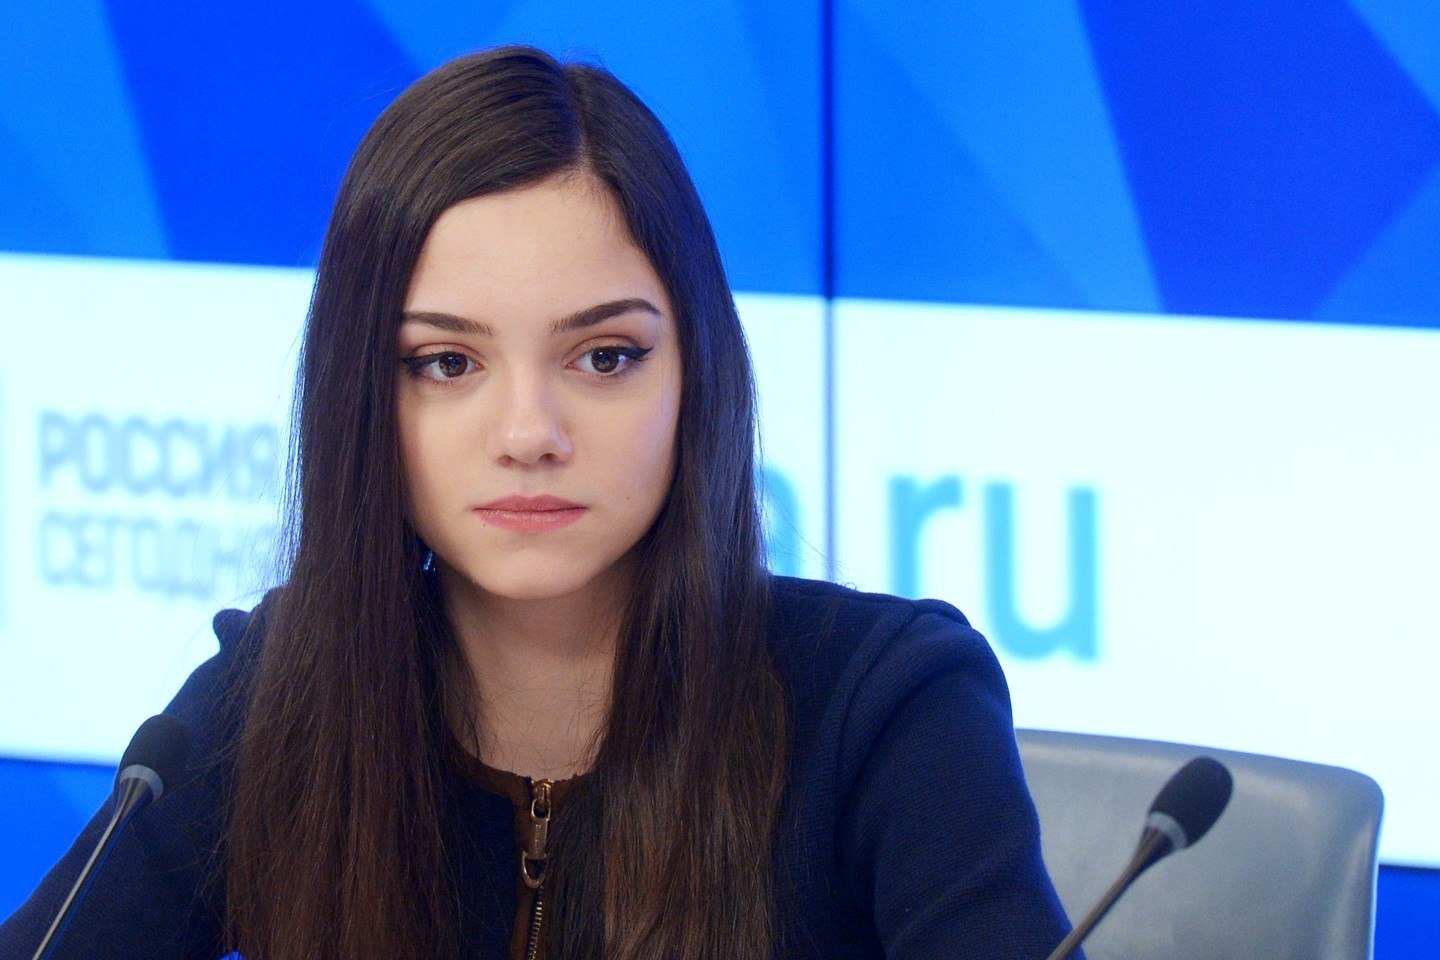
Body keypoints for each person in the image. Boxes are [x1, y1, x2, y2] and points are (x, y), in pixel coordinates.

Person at [0, 46, 1076, 960]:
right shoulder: (273, 699)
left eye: (604, 357)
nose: (528, 433)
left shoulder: (887, 707)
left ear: (698, 374)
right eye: (446, 363)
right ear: (358, 396)